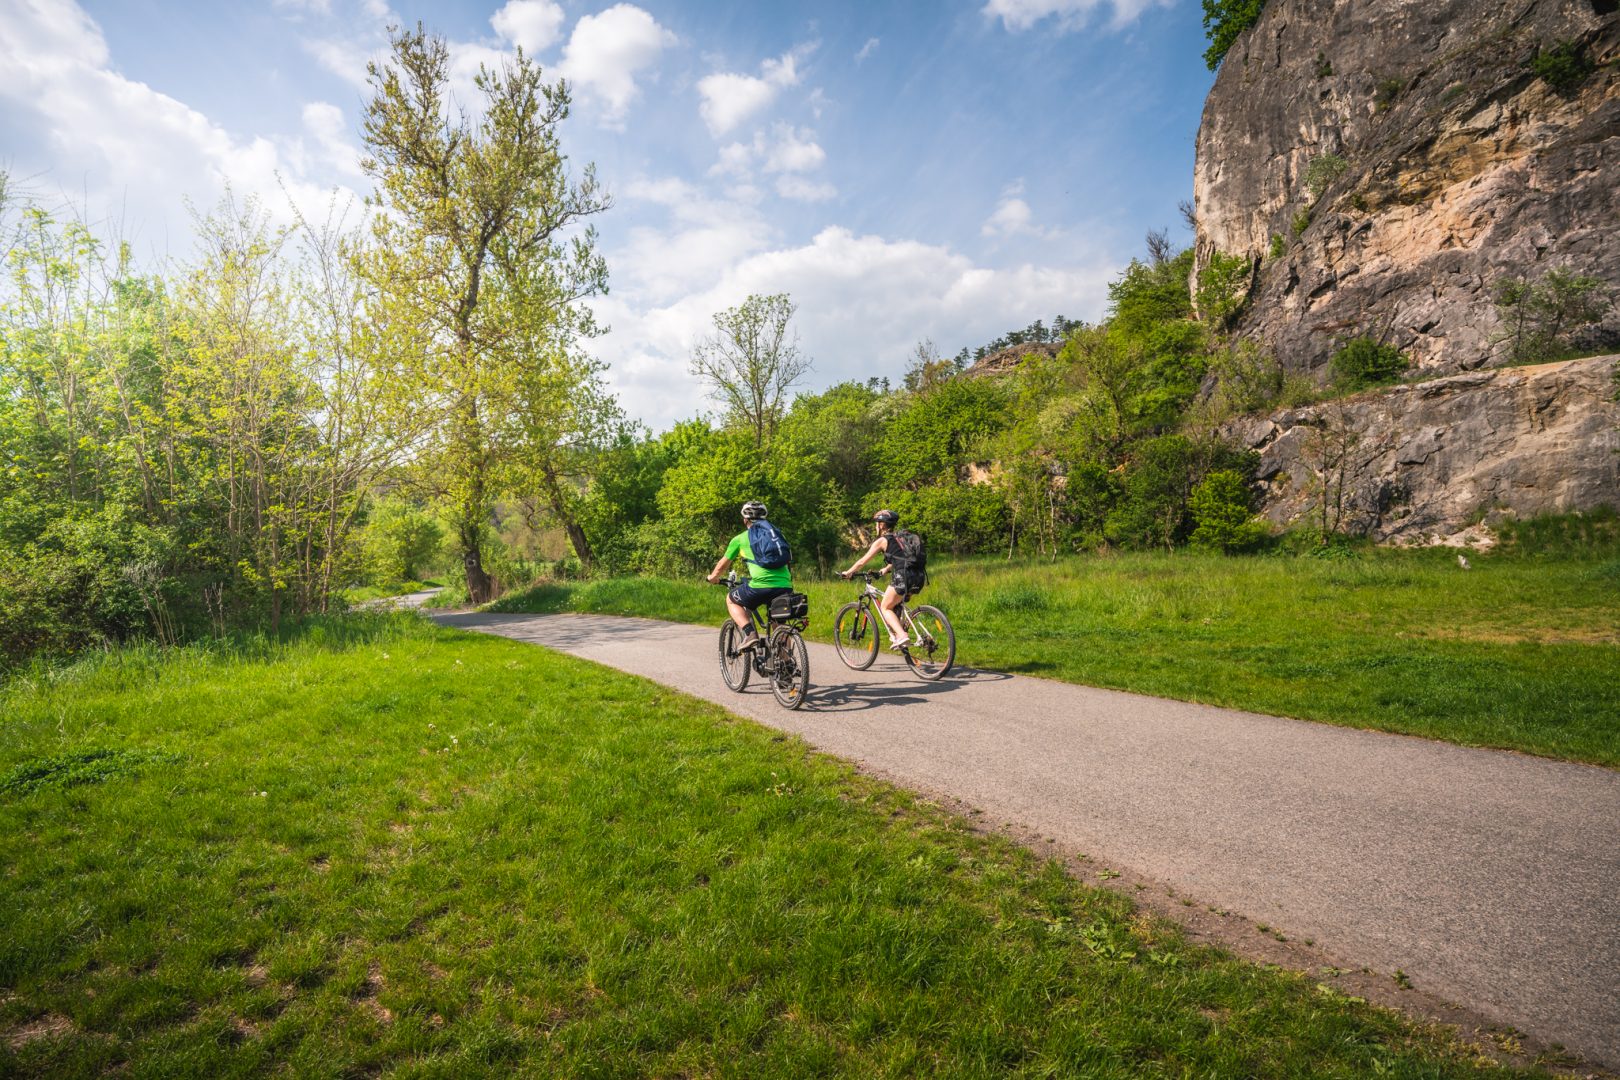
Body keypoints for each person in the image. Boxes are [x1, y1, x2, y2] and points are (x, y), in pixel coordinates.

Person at [706, 500, 793, 652]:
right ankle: (786, 665)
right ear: (764, 518)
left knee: (731, 599)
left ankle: (750, 633)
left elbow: (722, 565)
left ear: (745, 519)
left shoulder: (740, 539)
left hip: (760, 586)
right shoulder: (776, 535)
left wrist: (713, 577)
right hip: (785, 586)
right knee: (779, 624)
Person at [839, 509, 924, 651]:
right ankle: (903, 634)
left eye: (877, 523)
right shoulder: (900, 538)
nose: (875, 526)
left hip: (903, 576)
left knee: (885, 607)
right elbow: (903, 558)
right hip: (918, 576)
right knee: (896, 604)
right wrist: (885, 569)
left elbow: (862, 561)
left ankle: (902, 635)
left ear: (882, 525)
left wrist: (848, 572)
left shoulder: (882, 541)